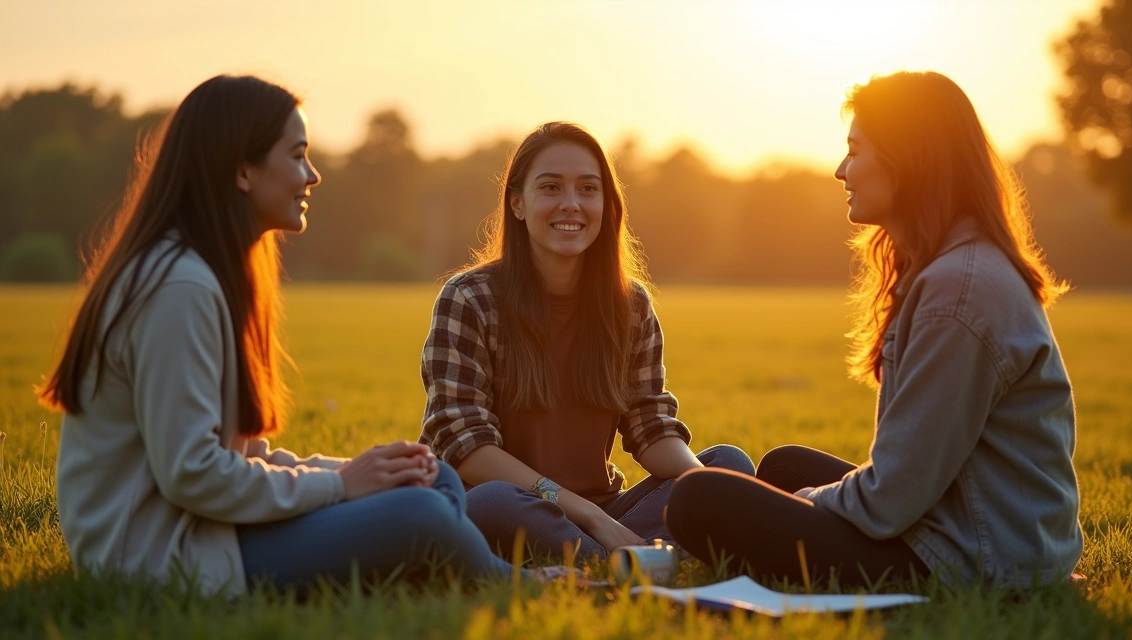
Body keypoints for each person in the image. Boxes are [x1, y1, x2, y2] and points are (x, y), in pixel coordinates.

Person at [39, 75, 515, 596]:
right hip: (158, 557)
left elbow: (236, 457)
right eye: (297, 156)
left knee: (433, 479)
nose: (312, 176)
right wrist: (338, 485)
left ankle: (439, 573)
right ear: (243, 170)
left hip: (206, 529)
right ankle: (524, 585)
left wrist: (358, 471)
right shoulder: (179, 286)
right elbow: (193, 473)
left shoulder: (204, 273)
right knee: (420, 510)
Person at [665, 71, 1083, 589]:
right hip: (977, 527)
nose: (842, 171)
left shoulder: (958, 289)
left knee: (697, 498)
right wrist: (808, 499)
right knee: (783, 466)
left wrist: (805, 505)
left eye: (856, 151)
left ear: (909, 160)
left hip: (976, 556)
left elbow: (893, 495)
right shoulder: (954, 266)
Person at [419, 121, 754, 560]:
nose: (571, 204)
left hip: (604, 510)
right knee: (493, 502)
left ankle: (623, 554)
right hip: (509, 505)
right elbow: (465, 446)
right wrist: (594, 520)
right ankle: (638, 555)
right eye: (552, 187)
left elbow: (649, 425)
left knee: (727, 466)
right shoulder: (469, 299)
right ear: (517, 203)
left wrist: (704, 491)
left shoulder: (630, 306)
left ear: (607, 204)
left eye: (588, 189)